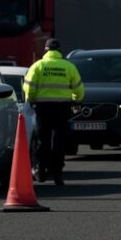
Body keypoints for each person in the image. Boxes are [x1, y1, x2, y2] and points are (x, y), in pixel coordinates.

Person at [23, 38, 84, 186]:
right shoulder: (69, 67)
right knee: (59, 141)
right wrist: (76, 101)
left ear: (46, 50)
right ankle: (57, 174)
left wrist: (31, 100)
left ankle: (40, 171)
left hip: (43, 108)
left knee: (42, 140)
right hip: (62, 108)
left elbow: (29, 87)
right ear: (59, 50)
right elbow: (79, 89)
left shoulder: (38, 66)